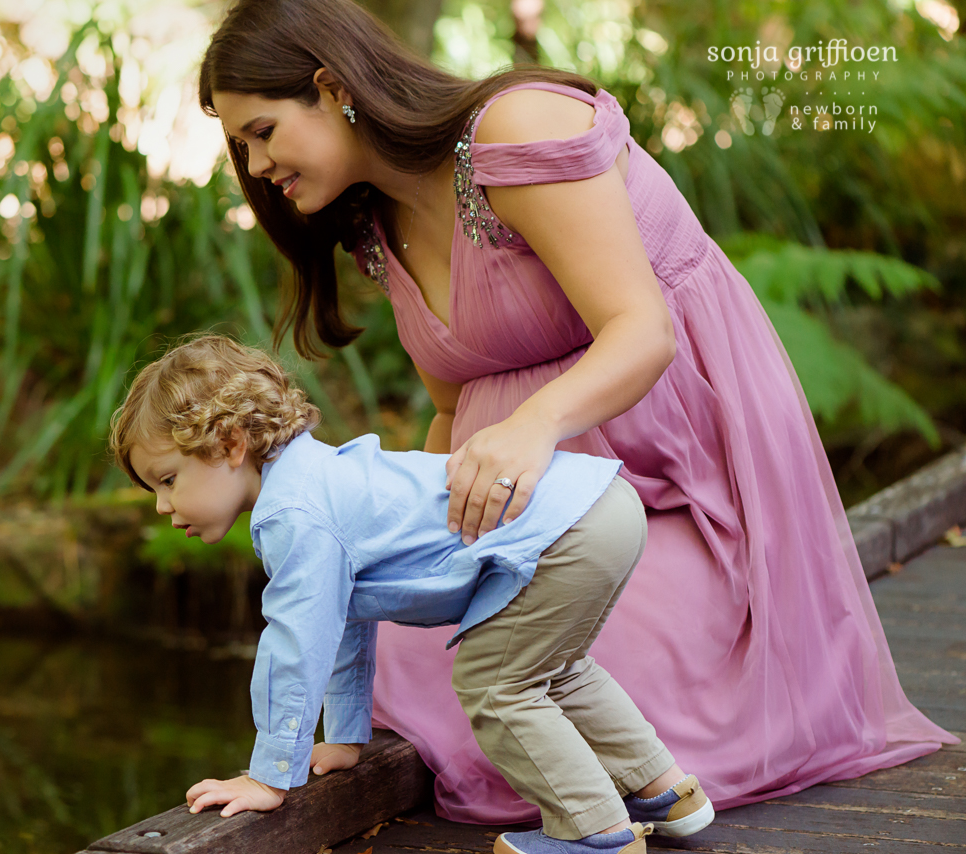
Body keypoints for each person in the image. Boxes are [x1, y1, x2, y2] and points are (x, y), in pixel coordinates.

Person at [196, 0, 958, 825]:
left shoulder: (515, 130)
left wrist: (531, 425)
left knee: (551, 669)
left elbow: (643, 332)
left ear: (332, 87)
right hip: (526, 510)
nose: (255, 161)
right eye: (240, 144)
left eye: (262, 131)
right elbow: (451, 410)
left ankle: (623, 808)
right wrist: (412, 534)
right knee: (403, 647)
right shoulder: (374, 225)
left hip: (670, 479)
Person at [108, 334, 716, 854]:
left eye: (168, 480)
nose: (164, 506)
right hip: (599, 507)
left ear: (230, 444)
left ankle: (593, 832)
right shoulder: (321, 480)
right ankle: (665, 792)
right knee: (554, 671)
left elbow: (297, 645)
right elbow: (344, 618)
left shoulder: (293, 513)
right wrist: (347, 737)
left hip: (562, 528)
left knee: (495, 684)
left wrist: (271, 777)